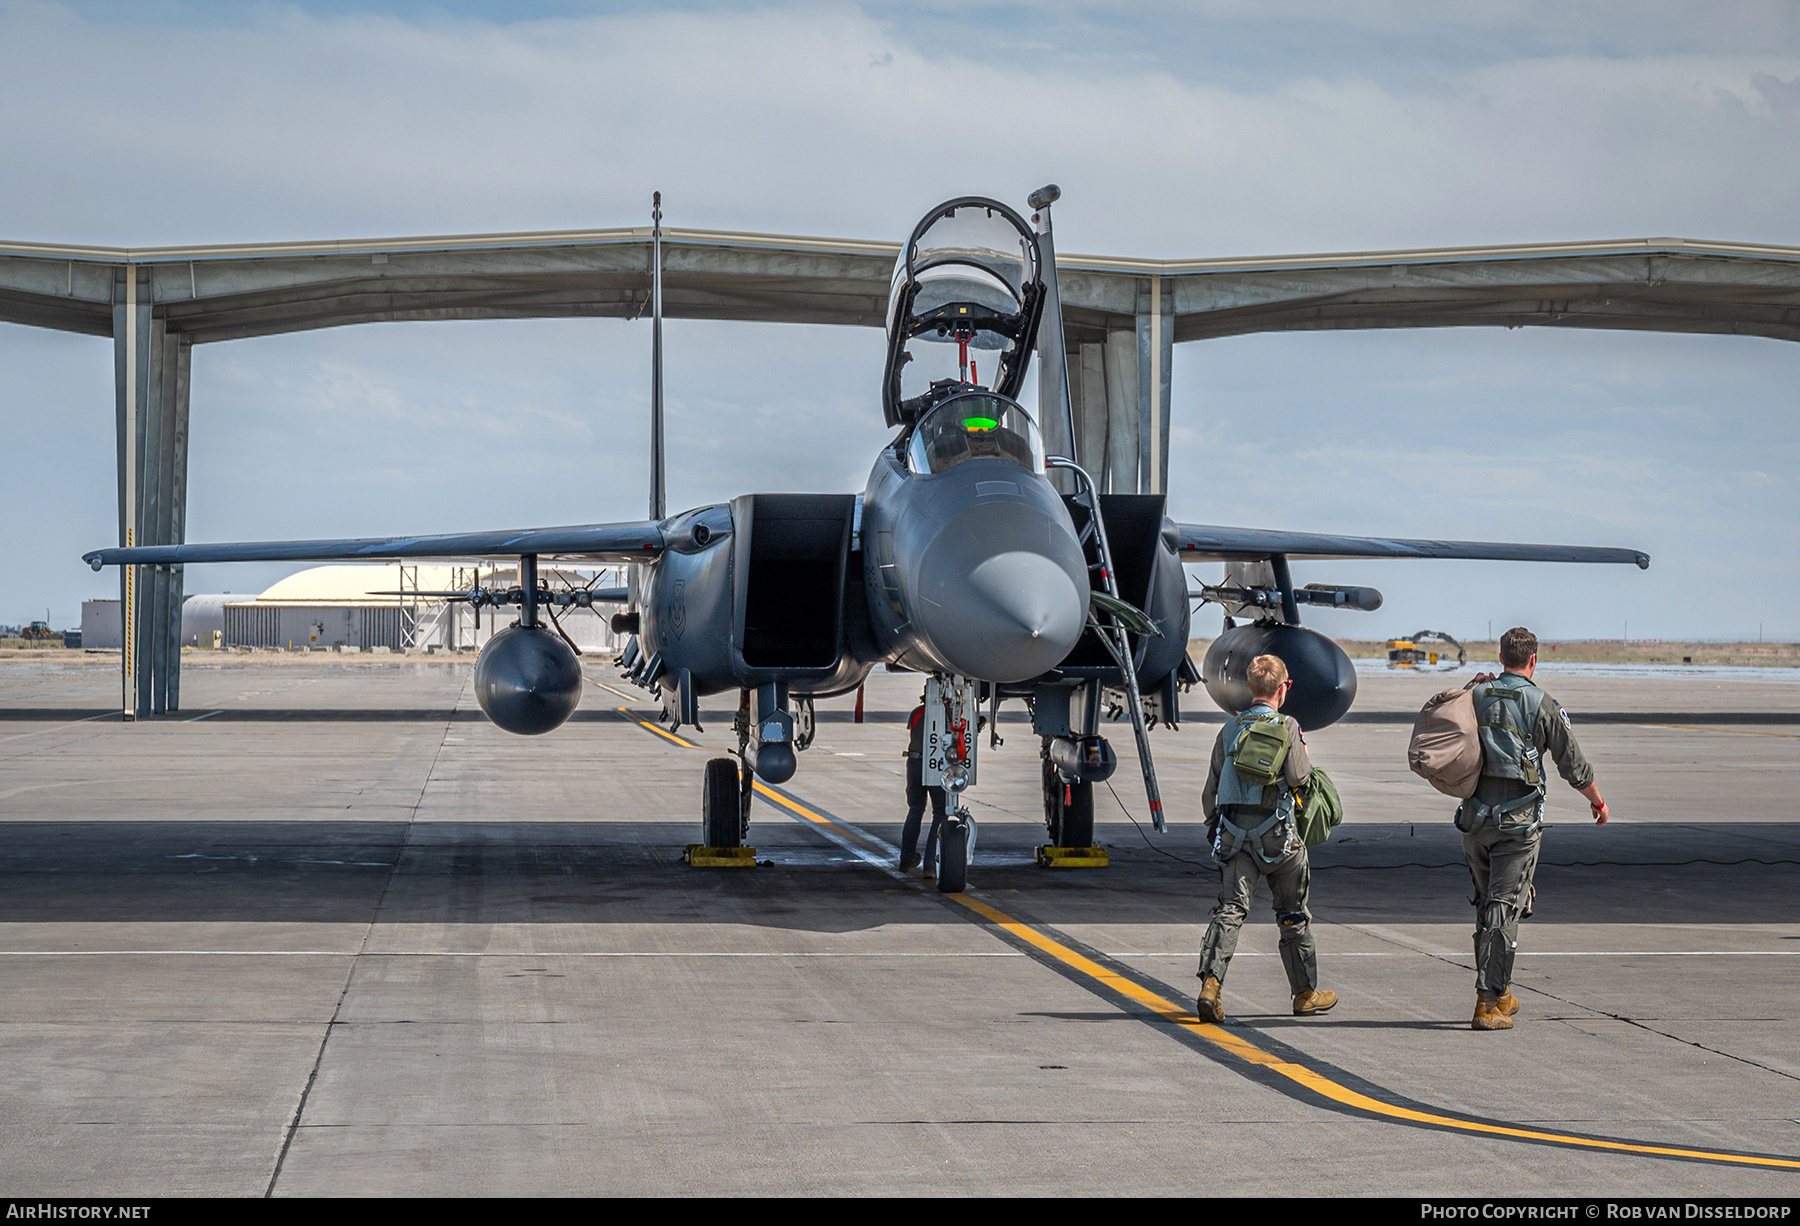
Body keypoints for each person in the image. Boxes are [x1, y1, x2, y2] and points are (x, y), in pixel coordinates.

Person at [1459, 626, 1609, 1032]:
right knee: (1503, 907)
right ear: (1533, 660)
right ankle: (1487, 1003)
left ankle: (1502, 990)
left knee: (1488, 905)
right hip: (1517, 825)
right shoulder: (1542, 703)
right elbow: (1572, 764)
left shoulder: (1475, 695)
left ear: (1501, 656)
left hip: (1474, 820)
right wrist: (1596, 801)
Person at [1196, 654, 1337, 1022]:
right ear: (1282, 689)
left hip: (1233, 837)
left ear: (1252, 687)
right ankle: (1304, 994)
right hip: (1278, 839)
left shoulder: (1230, 729)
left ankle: (1211, 986)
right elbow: (1299, 778)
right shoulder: (1288, 726)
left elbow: (1210, 792)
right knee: (1292, 916)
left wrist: (1218, 828)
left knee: (1231, 910)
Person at [899, 691, 948, 875]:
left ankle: (906, 858)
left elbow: (913, 733)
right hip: (936, 763)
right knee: (941, 813)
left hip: (914, 762)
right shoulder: (947, 714)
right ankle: (930, 864)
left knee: (915, 809)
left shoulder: (917, 712)